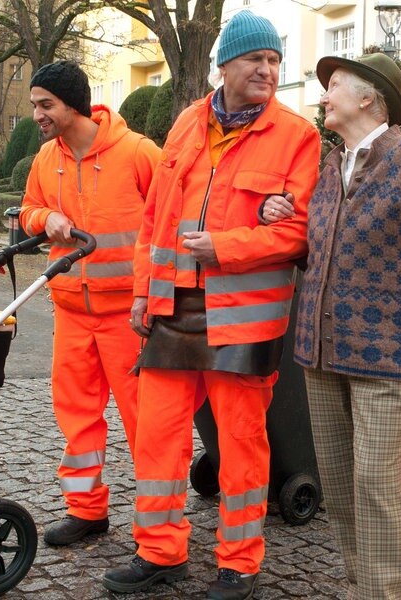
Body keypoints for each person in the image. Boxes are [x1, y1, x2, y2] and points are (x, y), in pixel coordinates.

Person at [100, 11, 321, 600]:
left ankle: (240, 561)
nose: (268, 70)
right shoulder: (185, 125)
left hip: (244, 320)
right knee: (158, 435)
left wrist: (224, 247)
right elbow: (155, 222)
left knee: (243, 443)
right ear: (226, 64)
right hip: (173, 311)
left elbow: (298, 235)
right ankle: (160, 550)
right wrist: (144, 291)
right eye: (256, 59)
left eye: (275, 61)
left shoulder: (298, 136)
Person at [263, 53, 401, 599]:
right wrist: (280, 215)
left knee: (375, 488)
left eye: (333, 85)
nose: (323, 94)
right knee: (339, 491)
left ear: (368, 98)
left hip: (387, 359)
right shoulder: (330, 168)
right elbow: (319, 252)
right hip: (321, 357)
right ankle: (364, 590)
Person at [18, 60, 161, 547]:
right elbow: (27, 210)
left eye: (45, 105)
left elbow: (169, 222)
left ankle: (158, 534)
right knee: (77, 417)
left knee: (148, 424)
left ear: (72, 105)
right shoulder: (45, 159)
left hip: (131, 318)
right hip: (73, 314)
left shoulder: (138, 152)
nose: (37, 114)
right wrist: (45, 218)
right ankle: (86, 511)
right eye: (35, 104)